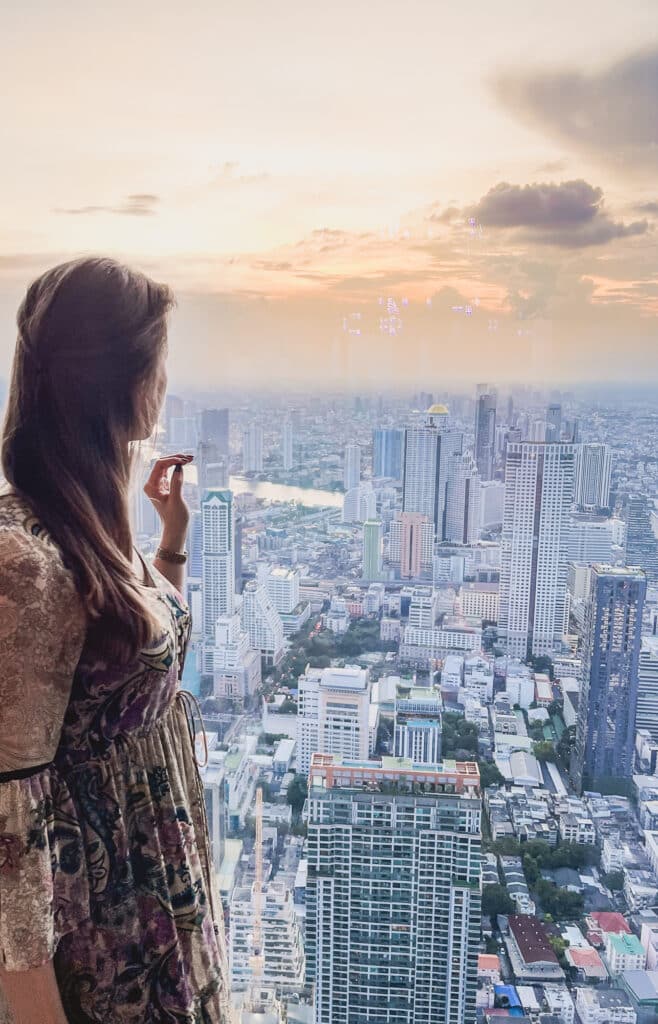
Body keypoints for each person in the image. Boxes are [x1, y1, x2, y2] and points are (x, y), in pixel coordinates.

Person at [0, 258, 230, 1022]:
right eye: (159, 361)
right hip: (104, 943)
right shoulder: (24, 564)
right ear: (124, 381)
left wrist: (169, 551)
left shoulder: (89, 521)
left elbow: (137, 689)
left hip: (155, 913)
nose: (165, 384)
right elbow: (10, 838)